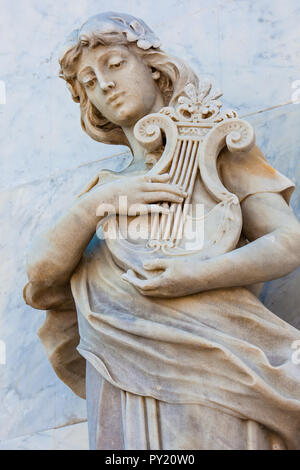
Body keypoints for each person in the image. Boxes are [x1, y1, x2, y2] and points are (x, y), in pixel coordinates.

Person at [24, 12, 300, 450]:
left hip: (218, 368)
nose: (104, 85)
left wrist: (194, 277)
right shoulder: (101, 194)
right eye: (90, 82)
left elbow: (289, 243)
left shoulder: (217, 154)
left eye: (115, 64)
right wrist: (93, 207)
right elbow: (40, 277)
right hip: (120, 370)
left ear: (155, 68)